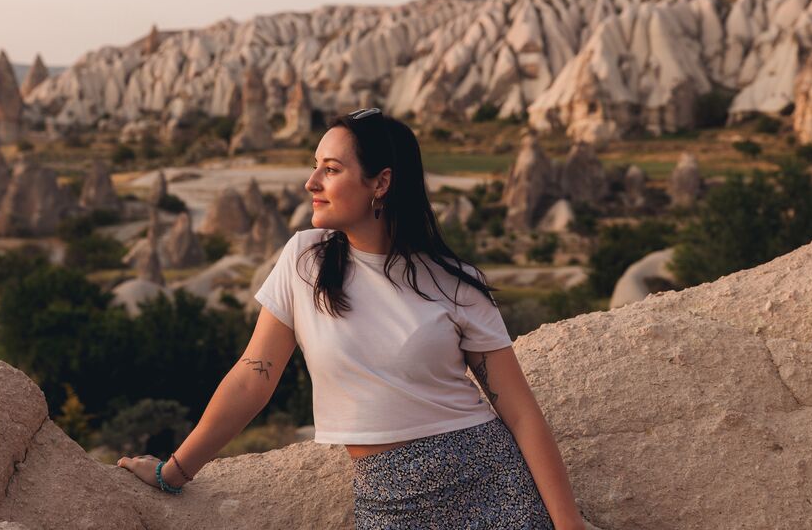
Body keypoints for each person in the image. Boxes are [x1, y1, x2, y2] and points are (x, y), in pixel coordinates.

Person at [118, 108, 586, 529]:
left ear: (380, 183)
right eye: (315, 165)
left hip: (488, 482)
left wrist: (567, 525)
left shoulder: (456, 282)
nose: (311, 182)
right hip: (386, 501)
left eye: (332, 169)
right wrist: (173, 472)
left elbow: (520, 412)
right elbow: (252, 378)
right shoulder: (304, 259)